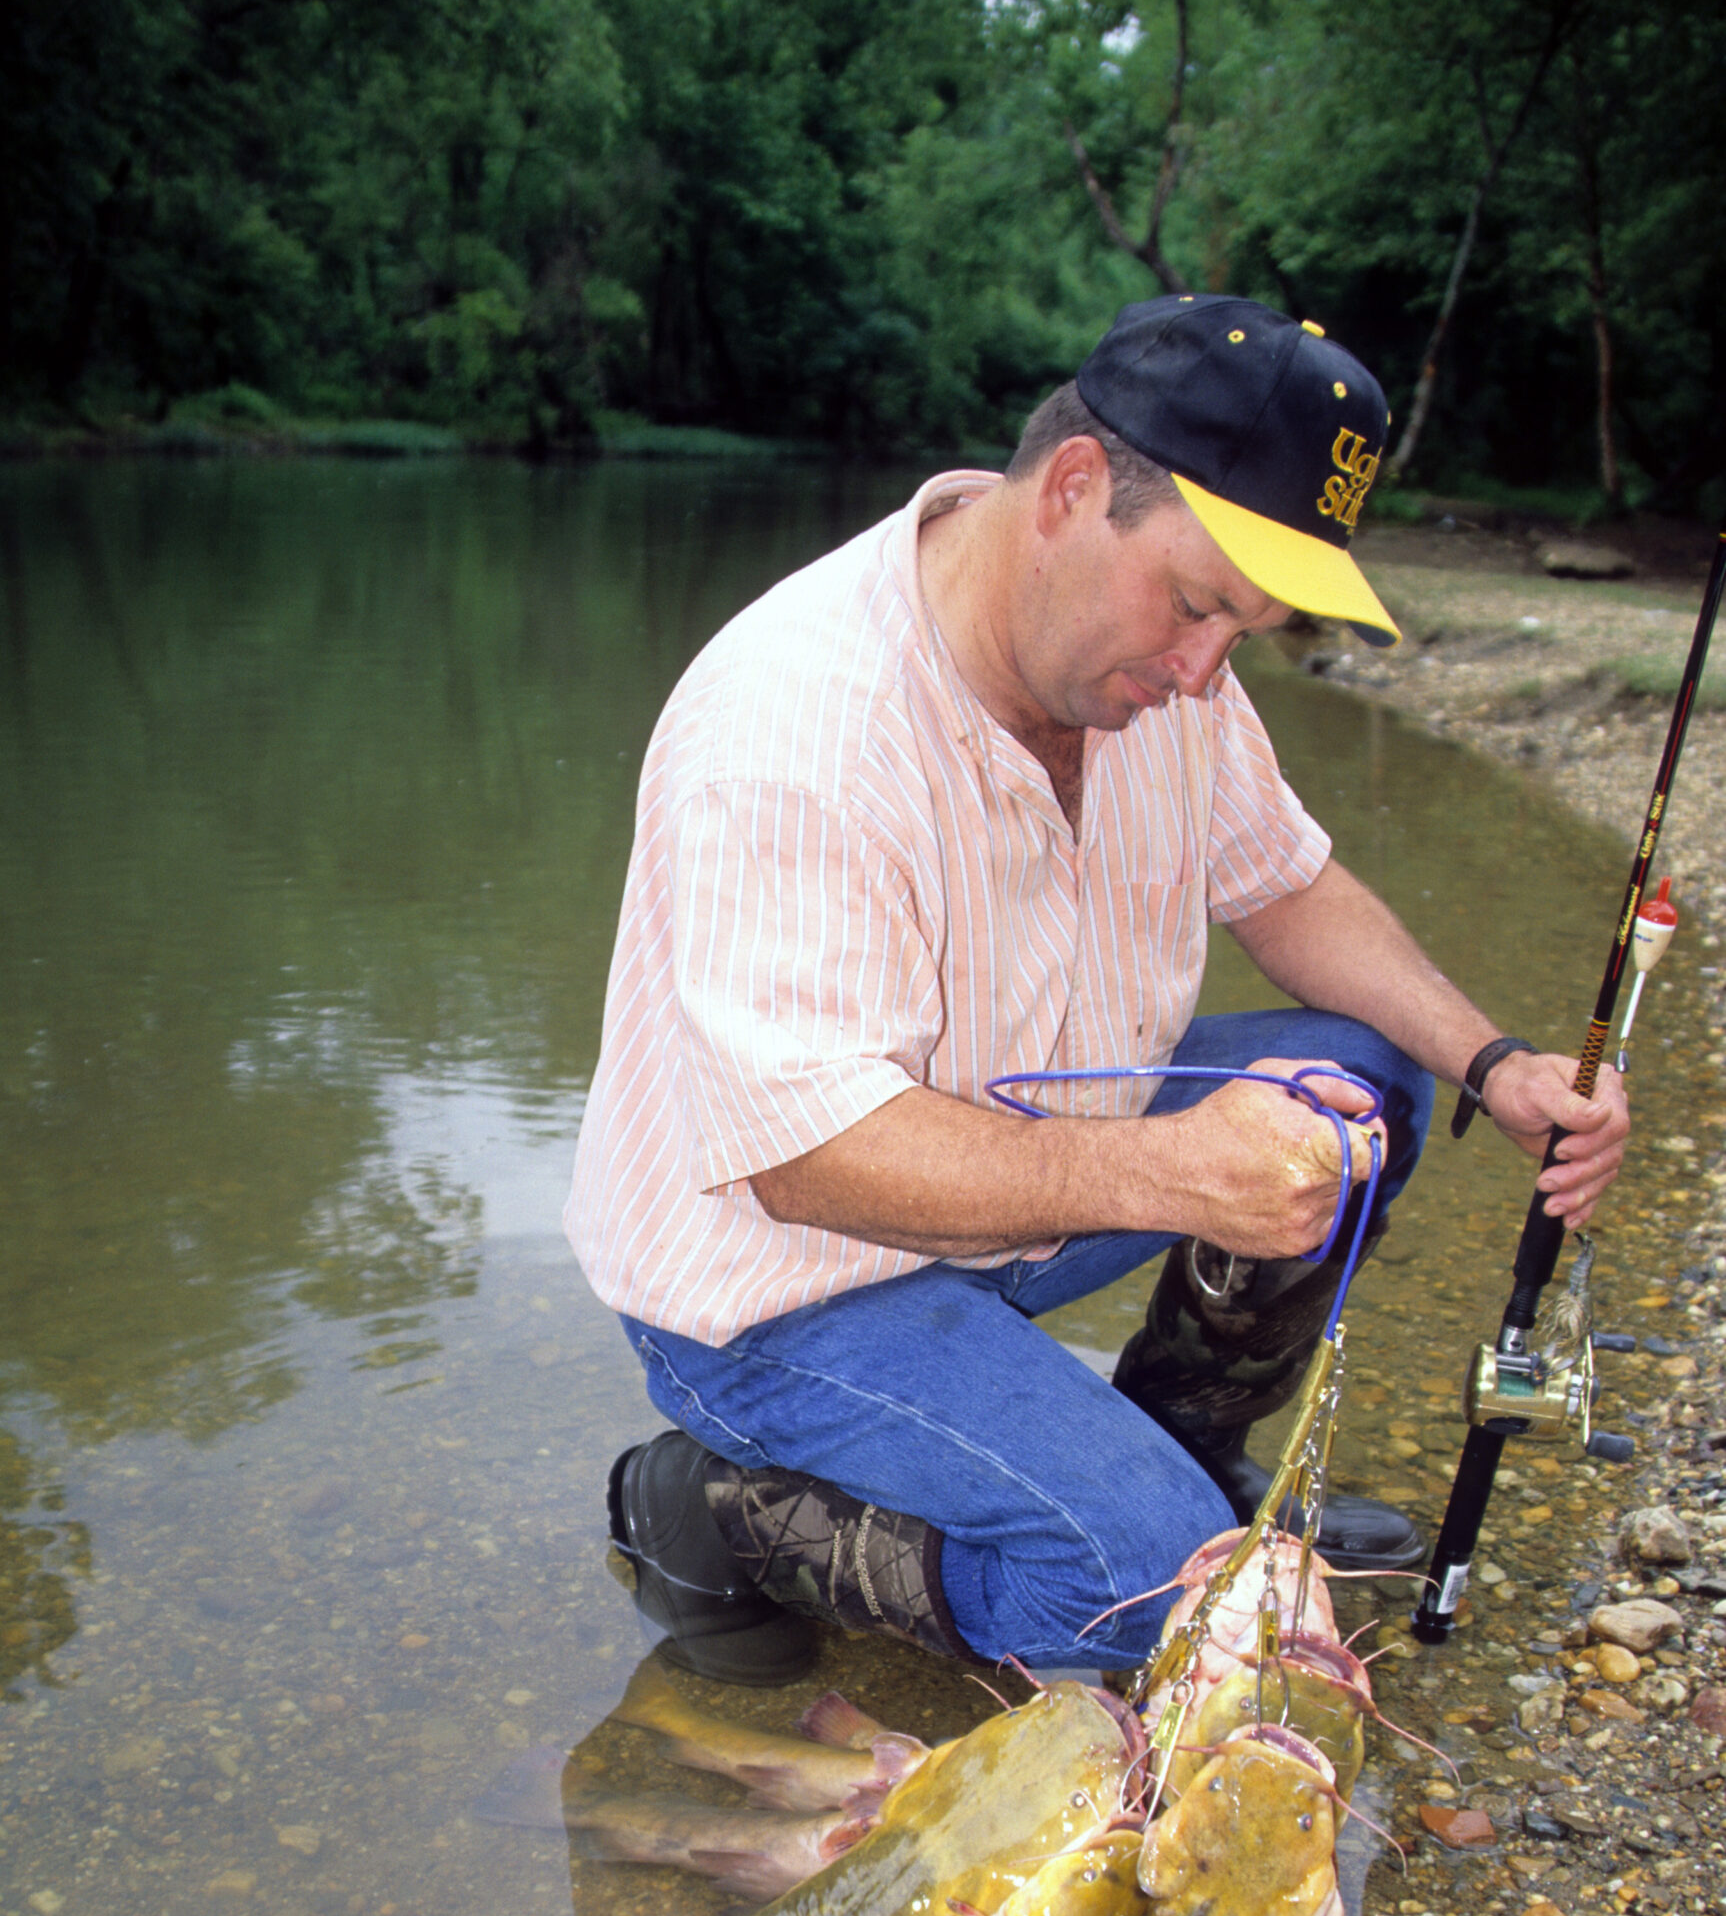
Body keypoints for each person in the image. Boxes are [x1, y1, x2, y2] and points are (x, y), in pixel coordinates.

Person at [568, 294, 1630, 1686]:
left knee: (1359, 1080)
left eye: (1243, 633)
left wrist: (1496, 1064)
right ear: (1073, 489)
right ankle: (711, 1510)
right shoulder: (793, 729)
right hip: (782, 1284)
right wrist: (1176, 1175)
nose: (1202, 674)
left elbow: (1285, 884)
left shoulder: (1156, 678)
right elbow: (806, 1165)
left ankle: (1174, 1465)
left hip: (1021, 1188)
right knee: (1151, 1605)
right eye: (1195, 605)